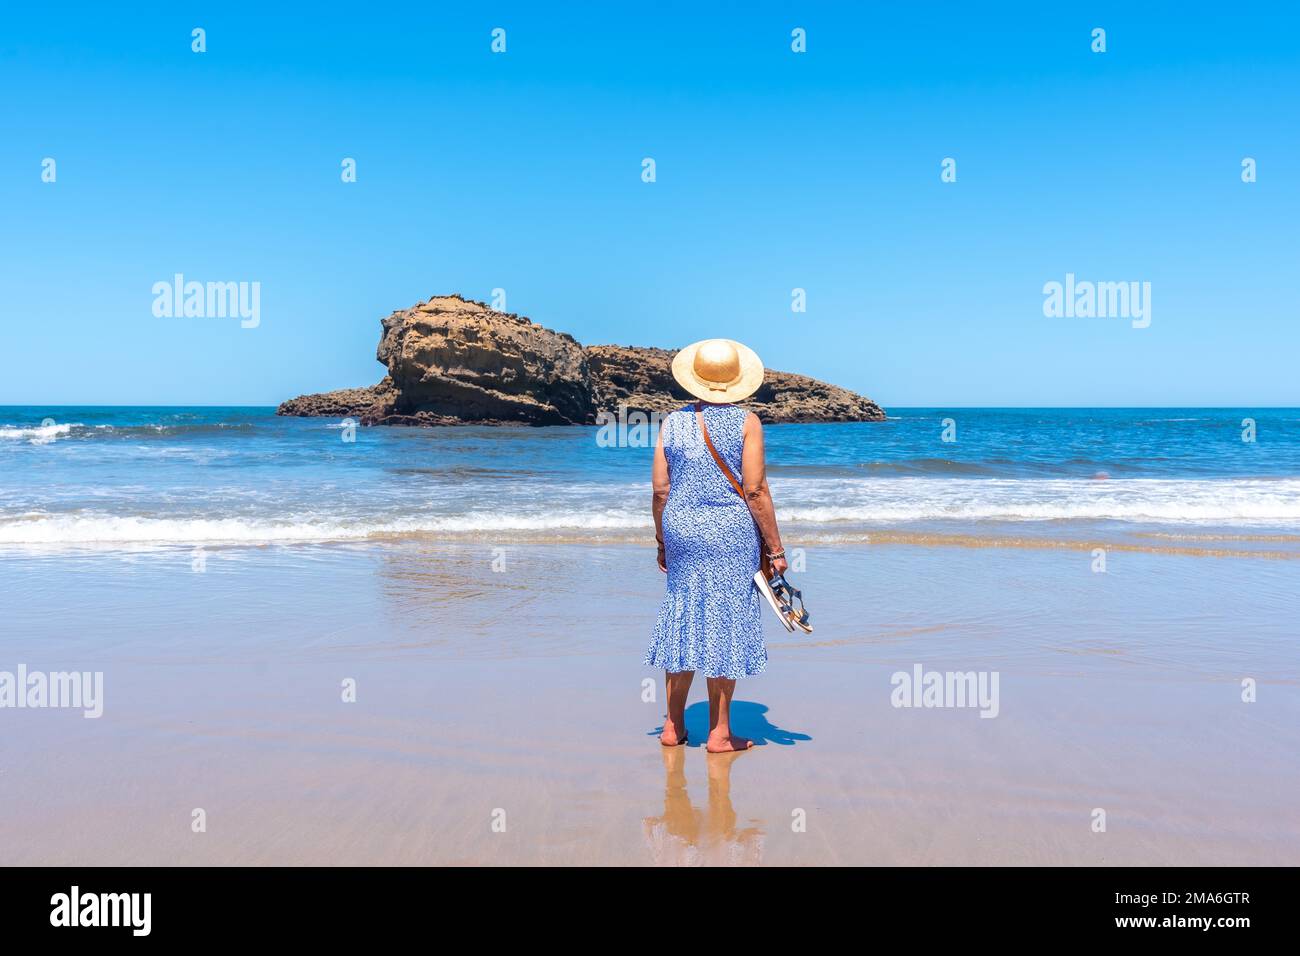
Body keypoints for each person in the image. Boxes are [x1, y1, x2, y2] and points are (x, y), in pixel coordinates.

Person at [643, 338, 788, 753]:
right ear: (739, 381)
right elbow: (756, 490)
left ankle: (672, 727)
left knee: (684, 617)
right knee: (725, 621)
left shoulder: (671, 423)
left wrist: (662, 542)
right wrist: (775, 549)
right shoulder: (748, 422)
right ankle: (720, 733)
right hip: (729, 532)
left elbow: (659, 489)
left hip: (681, 531)